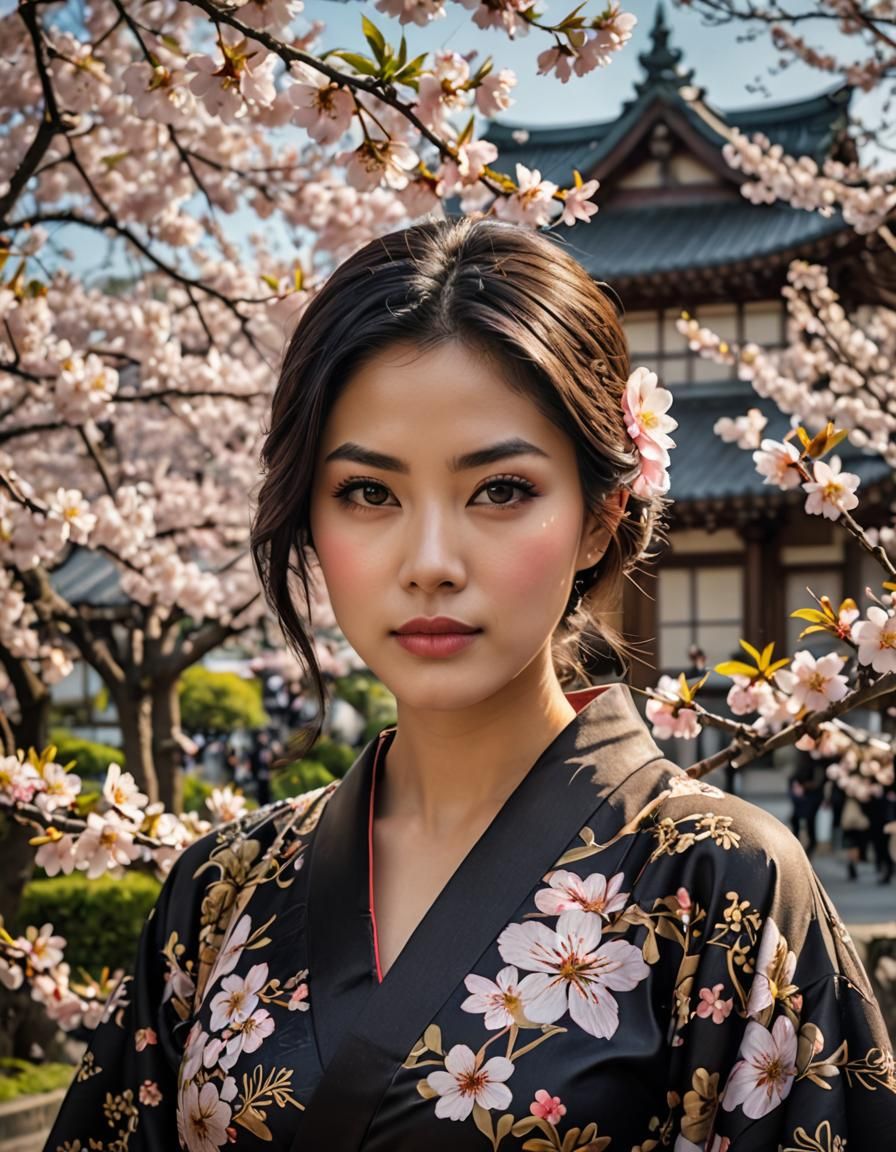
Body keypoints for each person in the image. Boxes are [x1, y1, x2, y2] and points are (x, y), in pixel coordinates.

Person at [43, 218, 896, 1151]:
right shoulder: (221, 887)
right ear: (308, 516)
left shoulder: (722, 883)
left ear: (601, 516)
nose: (431, 563)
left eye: (500, 490)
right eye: (369, 493)